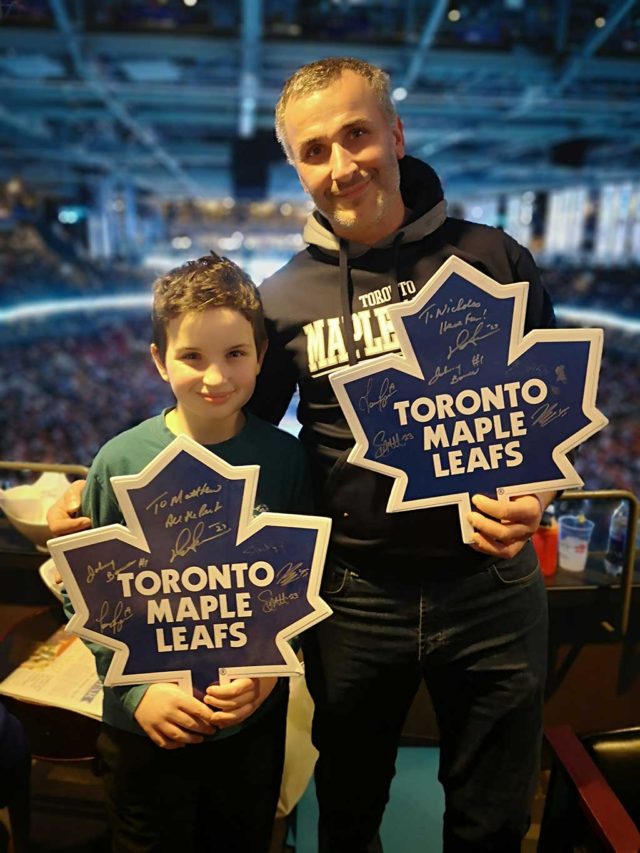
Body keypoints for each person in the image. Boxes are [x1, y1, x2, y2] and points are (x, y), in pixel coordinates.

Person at [49, 58, 556, 853]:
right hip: (355, 598)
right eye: (314, 149)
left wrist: (541, 498)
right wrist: (109, 491)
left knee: (492, 816)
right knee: (347, 808)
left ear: (395, 132)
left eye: (356, 134)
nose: (340, 164)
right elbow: (223, 425)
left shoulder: (496, 259)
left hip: (490, 591)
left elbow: (542, 414)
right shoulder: (282, 298)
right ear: (296, 165)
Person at [59, 252, 314, 853]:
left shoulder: (285, 459)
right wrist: (135, 693)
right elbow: (85, 588)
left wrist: (269, 672)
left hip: (247, 727)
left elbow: (303, 580)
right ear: (159, 360)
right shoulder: (119, 460)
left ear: (259, 356)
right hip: (143, 730)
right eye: (192, 357)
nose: (216, 377)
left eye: (235, 355)